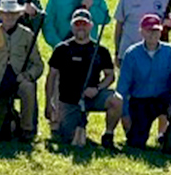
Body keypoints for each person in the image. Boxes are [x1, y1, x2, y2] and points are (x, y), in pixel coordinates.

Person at [115, 14, 171, 153]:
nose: (152, 34)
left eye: (155, 30)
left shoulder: (170, 52)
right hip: (140, 102)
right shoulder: (131, 54)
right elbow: (122, 88)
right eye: (148, 30)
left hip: (163, 99)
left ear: (161, 31)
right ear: (141, 32)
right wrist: (125, 115)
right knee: (136, 143)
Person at [47, 10, 121, 149]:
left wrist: (97, 88)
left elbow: (110, 76)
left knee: (117, 101)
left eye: (84, 24)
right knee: (68, 137)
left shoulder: (101, 50)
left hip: (93, 96)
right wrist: (50, 103)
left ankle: (108, 135)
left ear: (91, 26)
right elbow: (51, 77)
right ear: (71, 26)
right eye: (77, 24)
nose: (81, 27)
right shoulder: (62, 49)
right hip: (69, 99)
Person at [0, 0, 44, 142]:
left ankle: (27, 129)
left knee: (28, 87)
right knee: (0, 133)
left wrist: (28, 75)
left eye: (13, 14)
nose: (9, 17)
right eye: (5, 14)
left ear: (19, 14)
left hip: (18, 81)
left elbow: (38, 64)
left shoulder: (27, 34)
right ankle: (12, 120)